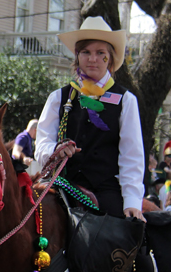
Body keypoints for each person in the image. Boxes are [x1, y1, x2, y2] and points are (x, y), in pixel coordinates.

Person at [35, 16, 145, 220]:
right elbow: (41, 146)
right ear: (77, 57)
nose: (92, 59)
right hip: (62, 187)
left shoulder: (126, 100)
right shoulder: (58, 97)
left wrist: (132, 201)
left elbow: (132, 157)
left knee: (121, 236)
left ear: (110, 58)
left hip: (105, 192)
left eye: (100, 53)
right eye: (86, 52)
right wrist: (55, 150)